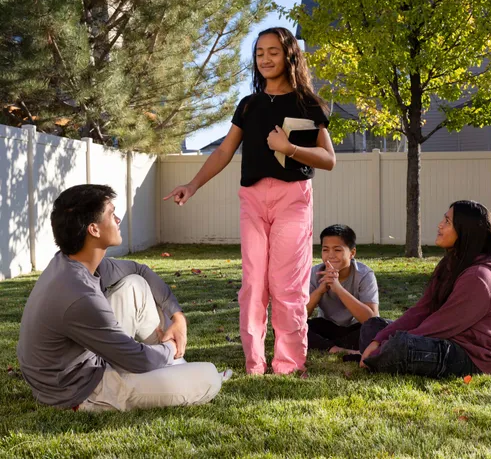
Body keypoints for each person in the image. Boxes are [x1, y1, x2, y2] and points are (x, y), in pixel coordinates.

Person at [164, 27, 335, 375]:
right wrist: (193, 184)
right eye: (259, 53)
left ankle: (289, 364)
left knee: (287, 285)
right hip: (253, 200)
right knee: (254, 284)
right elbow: (225, 151)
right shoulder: (249, 105)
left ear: (290, 55)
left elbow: (328, 158)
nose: (265, 59)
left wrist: (290, 149)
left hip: (293, 199)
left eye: (273, 51)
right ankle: (254, 363)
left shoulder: (308, 104)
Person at [17, 184, 230, 412]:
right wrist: (169, 347)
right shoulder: (79, 294)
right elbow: (137, 360)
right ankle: (174, 365)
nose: (118, 220)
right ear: (94, 230)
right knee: (208, 377)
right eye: (111, 214)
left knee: (135, 285)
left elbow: (140, 270)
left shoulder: (74, 262)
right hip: (79, 390)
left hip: (88, 362)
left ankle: (174, 365)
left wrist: (178, 318)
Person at [359, 200, 491, 377]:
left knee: (401, 344)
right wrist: (379, 340)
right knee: (373, 327)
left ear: (466, 231)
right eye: (444, 219)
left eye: (448, 222)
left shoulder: (479, 277)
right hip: (443, 339)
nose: (440, 225)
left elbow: (442, 324)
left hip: (472, 357)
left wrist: (388, 344)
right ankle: (376, 358)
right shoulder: (450, 263)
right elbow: (422, 309)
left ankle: (375, 359)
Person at [307, 225, 378, 353]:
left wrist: (338, 288)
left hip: (355, 329)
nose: (331, 255)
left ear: (352, 253)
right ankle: (336, 349)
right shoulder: (315, 273)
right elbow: (300, 315)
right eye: (325, 250)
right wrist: (320, 291)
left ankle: (326, 346)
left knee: (380, 328)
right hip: (327, 327)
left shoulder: (364, 275)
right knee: (290, 325)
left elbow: (371, 320)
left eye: (337, 250)